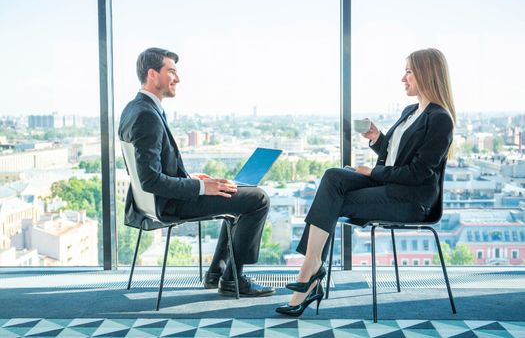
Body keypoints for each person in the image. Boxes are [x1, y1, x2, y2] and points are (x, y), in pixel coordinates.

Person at [276, 48, 456, 316]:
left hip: (410, 201)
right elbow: (395, 157)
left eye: (408, 71)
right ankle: (311, 268)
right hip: (389, 187)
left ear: (426, 73)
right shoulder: (411, 111)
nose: (403, 77)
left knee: (332, 200)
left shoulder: (440, 119)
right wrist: (377, 138)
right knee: (333, 176)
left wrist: (371, 173)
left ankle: (308, 277)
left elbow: (417, 173)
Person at [119, 47, 275, 297]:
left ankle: (218, 272)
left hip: (162, 198)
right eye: (171, 71)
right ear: (152, 74)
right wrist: (202, 188)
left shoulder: (134, 109)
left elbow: (150, 170)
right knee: (258, 199)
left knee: (233, 191)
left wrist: (191, 179)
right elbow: (150, 179)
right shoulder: (146, 115)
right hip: (169, 204)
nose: (177, 79)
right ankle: (234, 279)